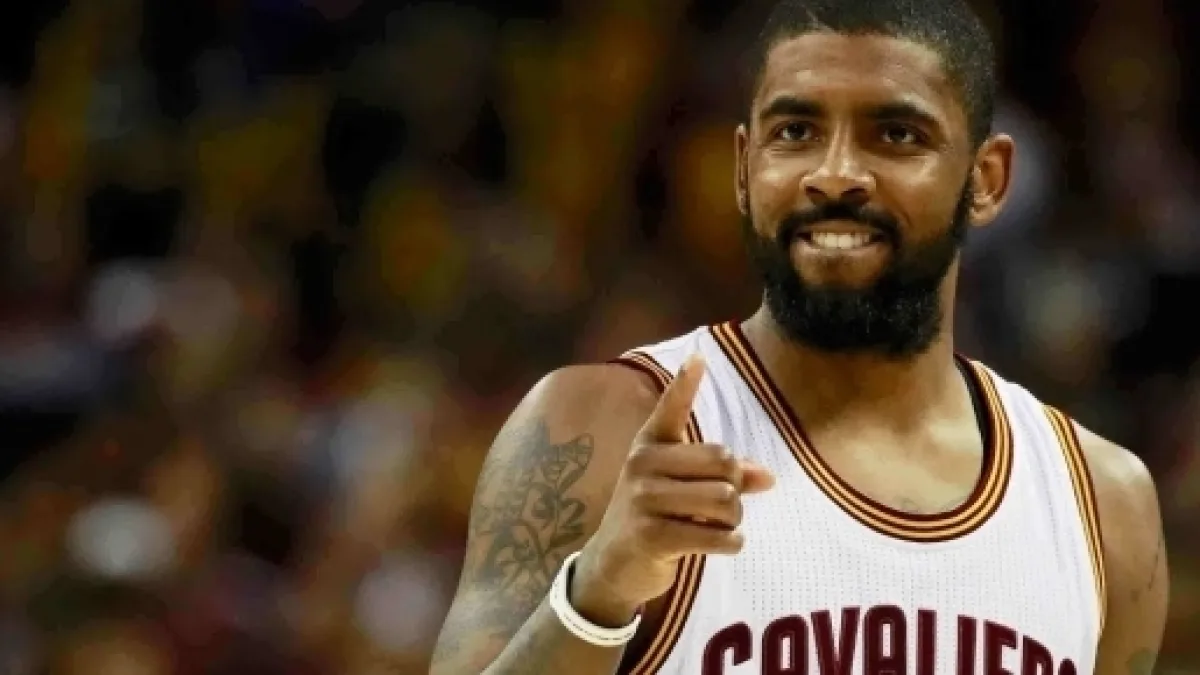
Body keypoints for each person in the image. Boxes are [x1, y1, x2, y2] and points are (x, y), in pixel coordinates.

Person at [429, 0, 1169, 673]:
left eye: (896, 135)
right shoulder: (596, 431)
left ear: (987, 179)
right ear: (744, 169)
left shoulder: (1103, 507)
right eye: (796, 132)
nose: (836, 174)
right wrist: (597, 594)